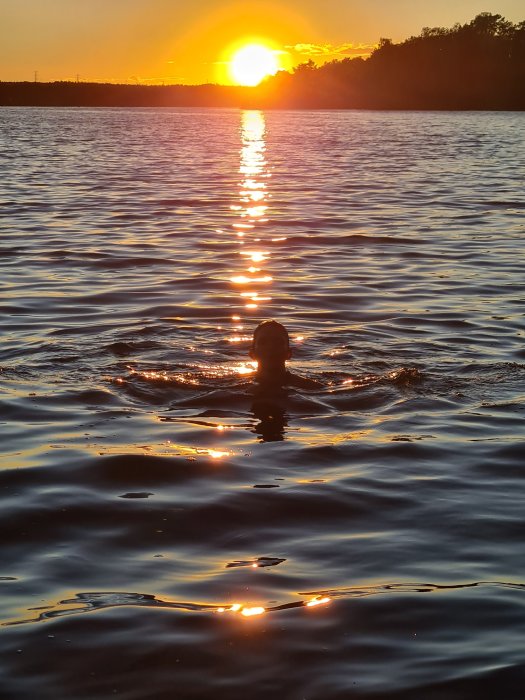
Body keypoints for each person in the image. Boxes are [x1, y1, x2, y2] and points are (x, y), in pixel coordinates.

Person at [249, 320, 322, 391]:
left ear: (288, 354)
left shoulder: (311, 388)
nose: (271, 347)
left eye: (278, 342)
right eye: (263, 342)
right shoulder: (241, 383)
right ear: (252, 354)